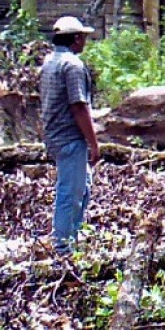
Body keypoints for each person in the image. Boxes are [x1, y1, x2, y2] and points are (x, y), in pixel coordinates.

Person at [39, 16, 100, 255]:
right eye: (83, 37)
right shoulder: (72, 65)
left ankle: (73, 238)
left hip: (54, 135)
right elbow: (78, 106)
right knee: (70, 193)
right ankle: (63, 249)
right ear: (76, 38)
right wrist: (93, 143)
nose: (84, 41)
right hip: (69, 138)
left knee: (83, 186)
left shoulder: (49, 62)